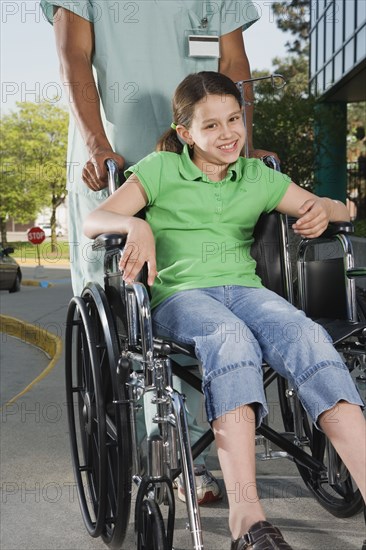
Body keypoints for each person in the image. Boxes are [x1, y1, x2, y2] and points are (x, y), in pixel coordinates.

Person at [84, 71, 366, 550]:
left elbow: (342, 210)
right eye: (211, 125)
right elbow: (96, 219)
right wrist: (137, 227)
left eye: (233, 119)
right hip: (179, 296)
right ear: (186, 133)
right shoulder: (160, 169)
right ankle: (248, 522)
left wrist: (325, 208)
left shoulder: (257, 176)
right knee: (230, 338)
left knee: (307, 336)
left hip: (245, 291)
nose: (228, 133)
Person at [41, 0, 276, 504]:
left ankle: (192, 456)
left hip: (202, 168)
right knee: (132, 326)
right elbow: (73, 55)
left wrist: (242, 146)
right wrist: (95, 142)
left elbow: (235, 65)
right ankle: (145, 450)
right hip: (116, 167)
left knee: (203, 302)